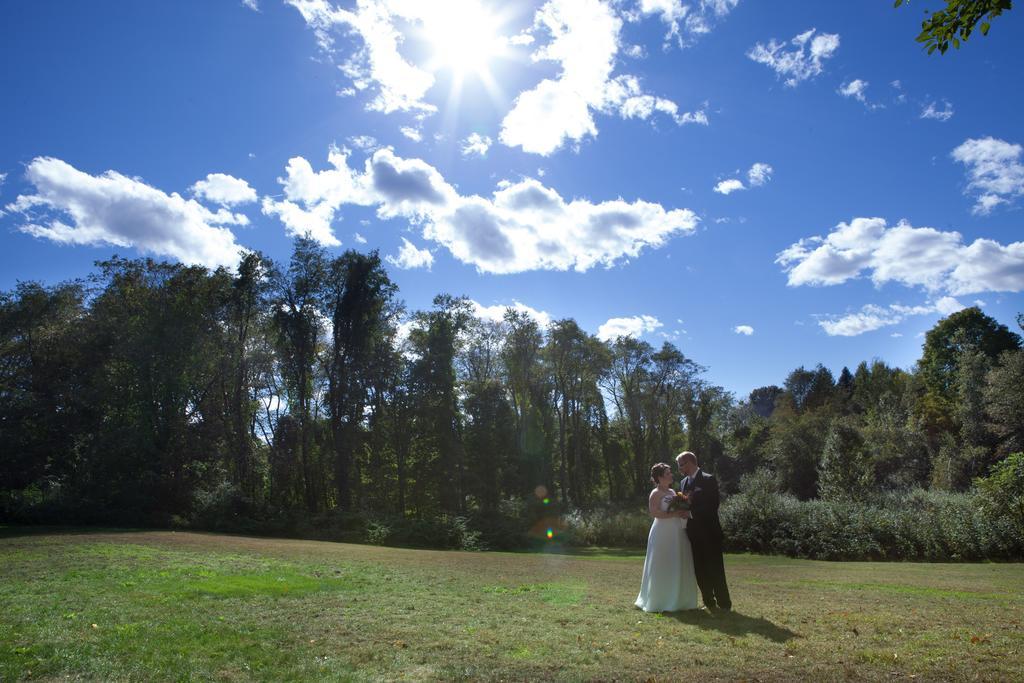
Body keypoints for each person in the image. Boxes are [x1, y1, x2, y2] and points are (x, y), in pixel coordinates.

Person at [634, 462, 698, 612]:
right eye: (668, 473)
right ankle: (659, 600)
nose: (671, 475)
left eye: (670, 473)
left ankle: (679, 599)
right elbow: (654, 512)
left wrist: (683, 511)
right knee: (661, 563)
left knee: (677, 560)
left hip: (677, 530)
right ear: (659, 477)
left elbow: (679, 508)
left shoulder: (673, 492)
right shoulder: (655, 493)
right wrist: (674, 514)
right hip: (662, 531)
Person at [676, 451, 732, 611]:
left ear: (690, 462)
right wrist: (679, 510)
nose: (679, 469)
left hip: (710, 533)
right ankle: (709, 602)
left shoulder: (708, 479)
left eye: (681, 465)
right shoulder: (683, 483)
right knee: (699, 570)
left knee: (715, 569)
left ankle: (724, 604)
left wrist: (691, 513)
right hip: (693, 534)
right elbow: (684, 505)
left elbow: (712, 505)